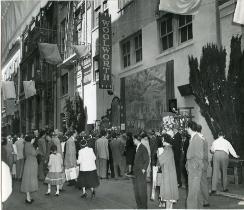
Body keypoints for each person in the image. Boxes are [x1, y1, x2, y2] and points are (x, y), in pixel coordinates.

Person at [186, 121, 204, 209]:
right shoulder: (194, 138)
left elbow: (199, 156)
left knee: (192, 194)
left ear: (190, 128)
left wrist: (194, 167)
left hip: (194, 170)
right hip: (192, 169)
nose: (186, 129)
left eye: (187, 128)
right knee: (195, 192)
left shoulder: (197, 139)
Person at [158, 134, 179, 209]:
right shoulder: (169, 149)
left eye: (163, 139)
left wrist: (158, 154)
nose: (162, 141)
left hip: (168, 175)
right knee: (170, 196)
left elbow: (160, 161)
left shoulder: (167, 149)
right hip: (170, 173)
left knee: (168, 195)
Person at [133, 134, 150, 209]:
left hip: (141, 172)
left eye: (134, 139)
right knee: (137, 190)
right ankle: (139, 206)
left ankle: (143, 207)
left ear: (136, 140)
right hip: (137, 171)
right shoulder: (138, 147)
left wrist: (144, 169)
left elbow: (147, 159)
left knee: (142, 190)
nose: (133, 141)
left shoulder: (143, 147)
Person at [21, 135, 38, 204]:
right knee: (29, 180)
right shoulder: (30, 145)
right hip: (31, 164)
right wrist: (37, 150)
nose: (34, 140)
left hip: (29, 163)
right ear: (31, 139)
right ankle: (28, 198)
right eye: (34, 139)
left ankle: (29, 197)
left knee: (28, 179)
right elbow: (34, 153)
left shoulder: (26, 145)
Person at [196, 124, 210, 207]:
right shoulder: (204, 138)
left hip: (199, 163)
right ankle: (205, 200)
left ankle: (204, 200)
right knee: (203, 182)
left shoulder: (198, 139)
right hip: (203, 163)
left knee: (201, 183)